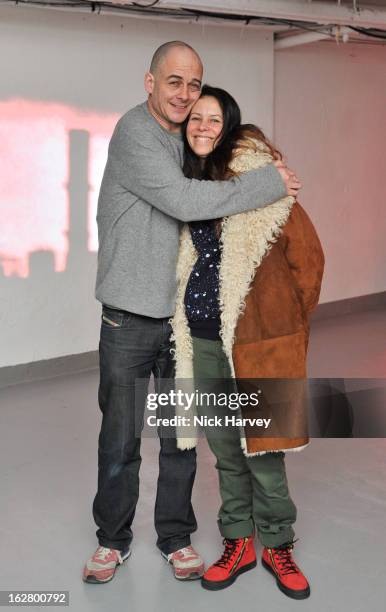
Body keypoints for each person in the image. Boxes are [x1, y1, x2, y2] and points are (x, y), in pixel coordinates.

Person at [83, 41, 302, 584]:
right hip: (130, 317)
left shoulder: (189, 142)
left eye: (193, 84)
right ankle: (112, 541)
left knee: (181, 438)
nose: (184, 94)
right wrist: (267, 181)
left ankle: (176, 537)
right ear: (150, 82)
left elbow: (223, 171)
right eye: (174, 82)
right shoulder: (137, 134)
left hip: (181, 320)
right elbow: (185, 202)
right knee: (120, 438)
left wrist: (252, 157)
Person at [171, 85, 324, 599]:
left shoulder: (267, 186)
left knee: (264, 450)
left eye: (214, 119)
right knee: (226, 451)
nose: (203, 127)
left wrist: (287, 326)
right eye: (195, 118)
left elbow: (309, 261)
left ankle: (278, 543)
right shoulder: (187, 185)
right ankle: (238, 540)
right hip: (203, 337)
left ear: (229, 126)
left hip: (258, 340)